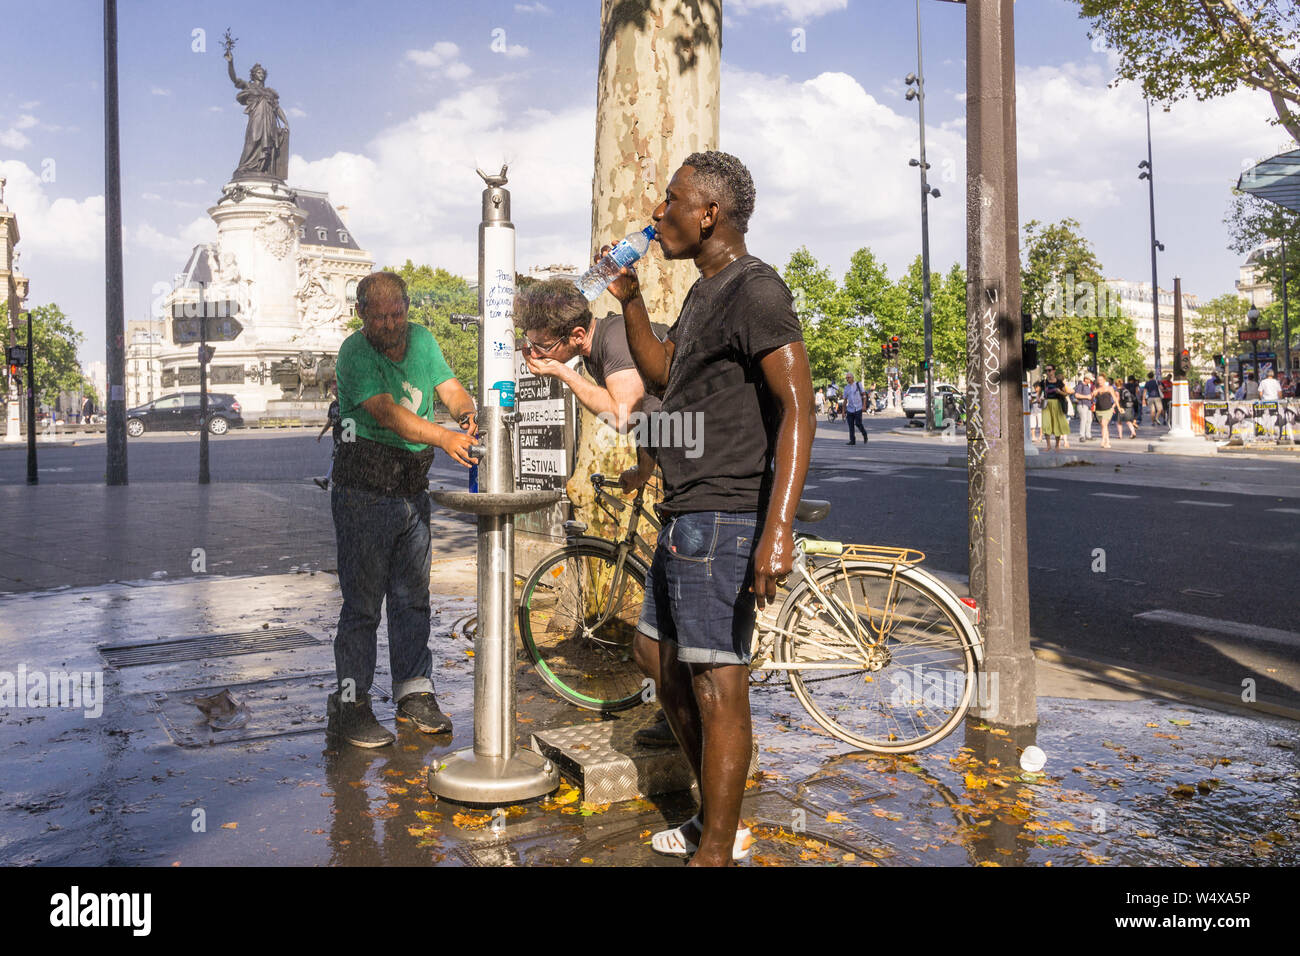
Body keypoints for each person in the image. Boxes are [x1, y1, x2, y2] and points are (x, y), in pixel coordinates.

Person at [613, 150, 814, 866]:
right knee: (656, 659)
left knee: (716, 682)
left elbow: (798, 410)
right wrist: (630, 299)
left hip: (726, 515)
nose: (657, 214)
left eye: (671, 201)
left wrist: (778, 530)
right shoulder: (704, 292)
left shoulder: (757, 290)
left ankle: (716, 849)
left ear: (709, 214)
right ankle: (715, 816)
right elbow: (667, 372)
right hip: (684, 511)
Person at [513, 278, 676, 747]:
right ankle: (677, 714)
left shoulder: (613, 337)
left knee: (676, 613)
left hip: (715, 464)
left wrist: (563, 375)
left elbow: (625, 411)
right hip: (683, 459)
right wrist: (644, 470)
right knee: (669, 616)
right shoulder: (598, 346)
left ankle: (690, 719)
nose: (536, 354)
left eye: (543, 346)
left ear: (577, 337)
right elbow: (654, 410)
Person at [327, 271, 479, 748]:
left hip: (411, 489)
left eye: (398, 314)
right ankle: (351, 705)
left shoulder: (424, 339)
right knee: (363, 605)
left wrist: (465, 411)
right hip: (363, 491)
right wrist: (444, 436)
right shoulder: (354, 352)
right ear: (361, 315)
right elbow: (390, 414)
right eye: (380, 316)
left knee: (413, 597)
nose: (391, 325)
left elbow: (450, 388)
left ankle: (414, 692)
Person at [1040, 366, 1073, 451]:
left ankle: (1057, 446)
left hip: (1057, 404)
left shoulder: (1059, 382)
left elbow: (1066, 394)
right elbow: (1039, 393)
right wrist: (1038, 398)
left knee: (1057, 424)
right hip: (1047, 404)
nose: (1048, 372)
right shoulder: (1043, 382)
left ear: (1054, 371)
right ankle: (1048, 445)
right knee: (1046, 424)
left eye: (1049, 370)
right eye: (1046, 370)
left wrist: (1060, 392)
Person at [1093, 373, 1117, 448]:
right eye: (1098, 380)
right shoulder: (1096, 389)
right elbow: (1092, 398)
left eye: (1101, 380)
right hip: (1099, 410)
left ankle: (1103, 440)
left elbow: (1115, 398)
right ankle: (1108, 441)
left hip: (1108, 409)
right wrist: (1093, 394)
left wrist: (1118, 407)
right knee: (1104, 426)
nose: (1099, 381)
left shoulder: (1109, 388)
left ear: (1104, 380)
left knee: (1104, 424)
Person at [842, 372, 868, 444]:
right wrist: (843, 412)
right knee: (850, 425)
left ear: (852, 378)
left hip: (858, 408)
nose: (847, 379)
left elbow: (864, 395)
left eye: (849, 377)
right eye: (846, 378)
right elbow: (845, 400)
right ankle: (852, 440)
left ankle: (864, 433)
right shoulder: (846, 388)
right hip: (850, 409)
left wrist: (864, 405)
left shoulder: (858, 384)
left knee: (858, 423)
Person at [1074, 371, 1095, 442]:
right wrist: (1087, 397)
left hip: (1088, 405)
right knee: (1084, 420)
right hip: (1082, 405)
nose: (1090, 381)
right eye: (1089, 379)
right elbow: (1076, 395)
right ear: (1086, 379)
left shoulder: (1087, 386)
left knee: (1089, 420)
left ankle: (1088, 435)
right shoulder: (1080, 385)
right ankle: (1082, 436)